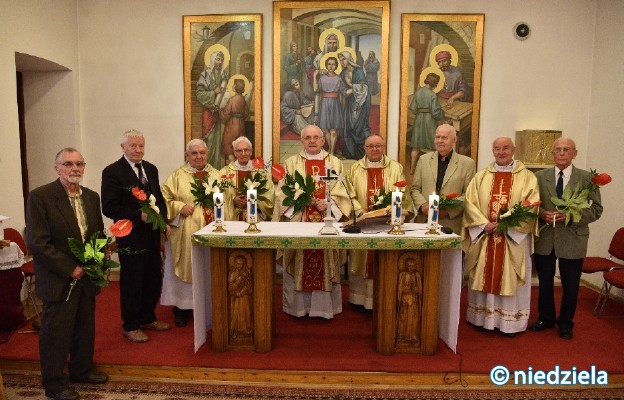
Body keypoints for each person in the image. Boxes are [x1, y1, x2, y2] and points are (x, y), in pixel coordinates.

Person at [26, 148, 108, 400]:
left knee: (85, 325)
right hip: (59, 277)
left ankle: (81, 370)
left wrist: (96, 259)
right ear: (57, 168)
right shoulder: (41, 197)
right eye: (68, 164)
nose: (75, 169)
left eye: (79, 164)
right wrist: (68, 267)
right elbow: (38, 242)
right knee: (56, 332)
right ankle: (54, 383)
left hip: (86, 276)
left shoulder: (92, 197)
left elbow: (98, 233)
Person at [462, 137, 539, 337]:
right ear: (493, 150)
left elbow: (532, 204)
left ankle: (509, 323)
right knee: (484, 273)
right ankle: (481, 318)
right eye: (497, 148)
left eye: (505, 148)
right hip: (485, 236)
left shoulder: (527, 177)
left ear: (513, 150)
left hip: (512, 240)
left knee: (509, 276)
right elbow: (470, 203)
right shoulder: (481, 176)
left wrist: (506, 225)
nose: (501, 152)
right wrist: (483, 224)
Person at [273, 125, 352, 318]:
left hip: (327, 223)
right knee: (299, 260)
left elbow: (343, 191)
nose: (312, 141)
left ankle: (323, 309)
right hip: (300, 221)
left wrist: (329, 203)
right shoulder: (291, 163)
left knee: (326, 262)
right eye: (307, 137)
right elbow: (281, 192)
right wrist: (301, 200)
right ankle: (298, 308)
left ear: (323, 140)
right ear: (301, 141)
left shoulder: (334, 163)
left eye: (316, 137)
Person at [101, 129, 171, 343]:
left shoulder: (150, 168)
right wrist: (137, 215)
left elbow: (158, 199)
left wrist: (163, 222)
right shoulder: (112, 172)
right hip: (129, 235)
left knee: (152, 277)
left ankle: (147, 317)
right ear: (123, 147)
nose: (138, 150)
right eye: (133, 146)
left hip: (151, 235)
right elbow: (110, 207)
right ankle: (130, 325)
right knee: (133, 280)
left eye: (141, 145)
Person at [531, 138, 603, 339]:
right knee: (544, 282)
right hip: (545, 238)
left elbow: (596, 210)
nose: (562, 153)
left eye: (566, 150)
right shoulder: (539, 177)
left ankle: (565, 323)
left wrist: (571, 217)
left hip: (573, 239)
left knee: (571, 285)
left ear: (575, 153)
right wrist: (542, 213)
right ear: (552, 153)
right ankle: (545, 318)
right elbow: (531, 203)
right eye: (558, 150)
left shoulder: (587, 179)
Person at [345, 135, 410, 310]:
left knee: (384, 261)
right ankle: (359, 300)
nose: (374, 149)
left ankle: (384, 298)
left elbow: (402, 192)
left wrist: (389, 210)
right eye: (370, 146)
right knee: (361, 260)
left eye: (378, 146)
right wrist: (359, 210)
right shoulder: (355, 168)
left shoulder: (395, 168)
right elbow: (349, 193)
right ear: (364, 148)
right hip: (362, 223)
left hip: (386, 224)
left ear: (383, 147)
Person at [161, 139, 219, 327]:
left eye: (202, 152)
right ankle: (182, 308)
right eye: (194, 153)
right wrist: (178, 207)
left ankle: (209, 306)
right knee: (188, 267)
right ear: (187, 156)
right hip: (186, 232)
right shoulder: (177, 176)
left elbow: (226, 200)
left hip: (212, 231)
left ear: (207, 153)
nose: (198, 156)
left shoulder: (216, 175)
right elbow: (164, 199)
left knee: (209, 268)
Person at [410, 124, 476, 235]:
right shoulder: (423, 160)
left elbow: (469, 195)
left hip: (450, 225)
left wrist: (448, 211)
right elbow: (415, 188)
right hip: (424, 223)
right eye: (437, 137)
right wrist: (423, 205)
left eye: (444, 138)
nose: (440, 141)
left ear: (454, 140)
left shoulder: (467, 163)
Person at [220, 136, 274, 221]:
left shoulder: (260, 172)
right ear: (234, 153)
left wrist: (253, 201)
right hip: (233, 218)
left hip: (256, 217)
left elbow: (269, 195)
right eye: (239, 151)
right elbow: (219, 195)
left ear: (251, 151)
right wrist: (233, 200)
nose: (243, 153)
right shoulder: (224, 173)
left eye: (246, 150)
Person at [197, 50, 229, 168]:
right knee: (209, 139)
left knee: (218, 140)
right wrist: (213, 92)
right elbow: (199, 94)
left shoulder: (224, 75)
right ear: (212, 60)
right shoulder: (205, 75)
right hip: (208, 112)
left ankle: (217, 167)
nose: (220, 62)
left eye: (221, 60)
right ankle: (207, 166)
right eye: (217, 59)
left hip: (218, 112)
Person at [408, 72, 445, 174]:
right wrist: (442, 112)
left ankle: (412, 169)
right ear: (434, 84)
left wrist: (420, 111)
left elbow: (413, 108)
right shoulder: (433, 95)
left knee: (416, 146)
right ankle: (430, 171)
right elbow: (436, 113)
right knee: (431, 146)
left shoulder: (418, 92)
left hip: (419, 120)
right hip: (430, 122)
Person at [338, 51, 371, 160]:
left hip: (360, 103)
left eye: (343, 59)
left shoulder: (358, 71)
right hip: (349, 102)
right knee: (348, 125)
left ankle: (361, 153)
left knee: (358, 126)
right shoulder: (343, 73)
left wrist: (350, 85)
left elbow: (363, 88)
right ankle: (349, 153)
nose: (342, 62)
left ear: (349, 58)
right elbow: (341, 87)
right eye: (340, 60)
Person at [314, 56, 345, 156]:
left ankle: (331, 152)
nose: (331, 66)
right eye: (329, 64)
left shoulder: (339, 78)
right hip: (324, 104)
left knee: (333, 131)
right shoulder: (322, 78)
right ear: (326, 65)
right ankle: (330, 150)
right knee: (325, 129)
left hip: (335, 104)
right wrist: (315, 76)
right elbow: (316, 90)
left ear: (336, 66)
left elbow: (343, 92)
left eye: (333, 64)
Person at [220, 78, 249, 164]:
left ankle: (233, 166)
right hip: (241, 125)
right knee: (238, 145)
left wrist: (220, 111)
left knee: (228, 145)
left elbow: (225, 115)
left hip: (232, 125)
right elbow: (246, 114)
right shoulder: (243, 99)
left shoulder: (232, 100)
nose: (232, 86)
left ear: (236, 87)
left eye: (234, 84)